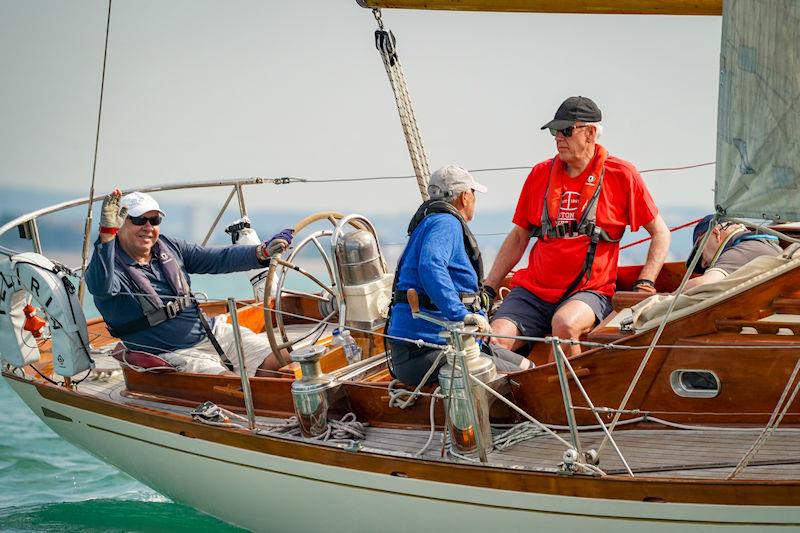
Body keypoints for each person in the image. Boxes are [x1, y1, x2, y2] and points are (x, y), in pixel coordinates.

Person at [484, 96, 671, 358]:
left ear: (591, 132)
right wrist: (489, 287)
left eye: (566, 130)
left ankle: (565, 395)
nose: (558, 138)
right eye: (554, 131)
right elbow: (519, 237)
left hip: (589, 292)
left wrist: (645, 282)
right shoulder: (540, 174)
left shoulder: (622, 174)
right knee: (495, 339)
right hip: (534, 291)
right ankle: (518, 387)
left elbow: (661, 233)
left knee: (565, 324)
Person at [85, 189, 294, 376]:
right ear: (119, 225)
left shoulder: (169, 247)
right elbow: (99, 286)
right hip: (173, 353)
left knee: (284, 358)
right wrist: (106, 237)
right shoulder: (109, 266)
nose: (148, 227)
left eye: (155, 220)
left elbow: (218, 258)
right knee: (232, 384)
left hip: (212, 333)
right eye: (139, 220)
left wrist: (262, 251)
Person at [386, 165, 533, 386]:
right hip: (425, 351)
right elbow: (431, 265)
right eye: (473, 193)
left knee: (528, 369)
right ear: (465, 197)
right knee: (524, 383)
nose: (474, 199)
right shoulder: (446, 223)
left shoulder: (431, 222)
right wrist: (460, 315)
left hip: (444, 346)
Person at [682, 214, 782, 291]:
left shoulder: (741, 252)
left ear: (715, 233)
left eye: (700, 250)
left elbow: (703, 284)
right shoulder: (758, 244)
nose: (703, 264)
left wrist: (671, 296)